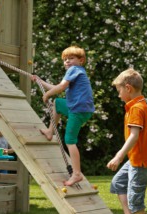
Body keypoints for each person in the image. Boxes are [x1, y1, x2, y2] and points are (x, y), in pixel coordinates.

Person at [31, 46, 95, 186]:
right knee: (58, 103)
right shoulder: (78, 71)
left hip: (78, 110)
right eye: (65, 60)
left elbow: (60, 88)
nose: (67, 62)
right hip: (79, 109)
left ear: (81, 60)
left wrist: (47, 94)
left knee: (70, 140)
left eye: (71, 58)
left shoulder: (74, 70)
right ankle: (50, 131)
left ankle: (76, 174)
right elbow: (58, 86)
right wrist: (40, 81)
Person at [107, 68, 147, 214]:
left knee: (135, 201)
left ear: (128, 88)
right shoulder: (139, 104)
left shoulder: (137, 108)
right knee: (118, 183)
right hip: (135, 159)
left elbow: (134, 135)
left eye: (119, 91)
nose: (119, 95)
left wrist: (119, 156)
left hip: (140, 161)